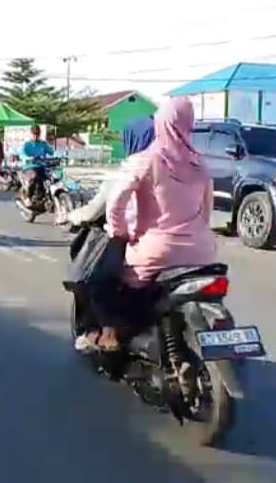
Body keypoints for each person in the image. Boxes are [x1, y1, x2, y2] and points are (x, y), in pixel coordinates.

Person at [94, 98, 217, 352]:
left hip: (156, 251)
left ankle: (112, 335)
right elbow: (206, 212)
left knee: (106, 281)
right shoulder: (200, 164)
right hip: (202, 252)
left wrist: (121, 232)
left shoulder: (146, 159)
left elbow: (116, 202)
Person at [65, 115, 155, 353]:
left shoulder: (131, 169)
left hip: (142, 243)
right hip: (197, 251)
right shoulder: (185, 167)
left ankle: (108, 331)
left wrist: (72, 216)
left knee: (95, 279)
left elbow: (103, 208)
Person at [19, 124, 55, 204]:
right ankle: (27, 196)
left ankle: (47, 196)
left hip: (42, 166)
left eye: (37, 134)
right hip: (30, 167)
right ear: (30, 134)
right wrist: (28, 158)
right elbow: (22, 154)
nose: (35, 136)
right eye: (34, 134)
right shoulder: (27, 145)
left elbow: (52, 152)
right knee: (34, 176)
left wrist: (55, 154)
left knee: (51, 178)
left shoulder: (43, 144)